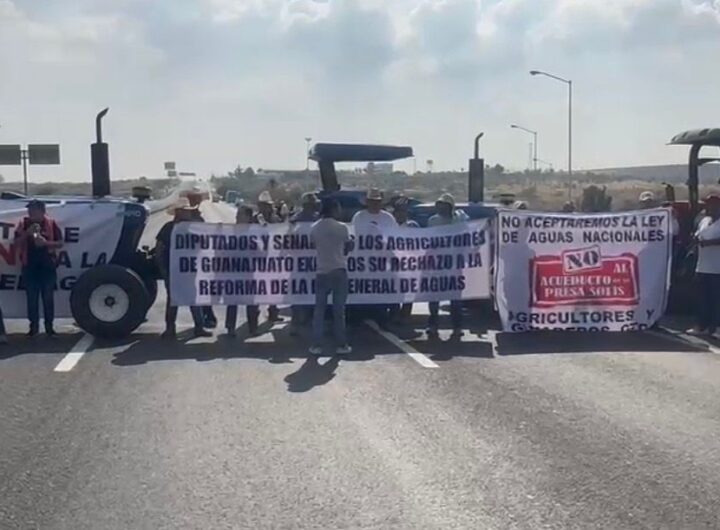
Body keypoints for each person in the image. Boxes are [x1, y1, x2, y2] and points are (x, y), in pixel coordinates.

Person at [155, 202, 211, 339]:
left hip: (189, 269)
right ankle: (170, 328)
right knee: (173, 300)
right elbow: (159, 248)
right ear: (179, 212)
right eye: (186, 211)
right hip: (172, 270)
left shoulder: (192, 228)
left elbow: (203, 245)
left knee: (193, 298)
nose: (188, 213)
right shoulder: (168, 228)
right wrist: (162, 268)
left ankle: (199, 327)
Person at [14, 200, 63, 337]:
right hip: (29, 267)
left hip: (47, 266)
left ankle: (49, 328)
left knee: (48, 297)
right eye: (29, 210)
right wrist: (26, 234)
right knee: (32, 298)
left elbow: (60, 243)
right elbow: (15, 243)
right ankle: (33, 328)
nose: (30, 213)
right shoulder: (23, 224)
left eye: (34, 210)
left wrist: (46, 243)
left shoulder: (51, 224)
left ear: (42, 211)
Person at [310, 198, 352, 356]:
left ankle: (316, 345)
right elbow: (347, 248)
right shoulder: (342, 227)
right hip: (339, 270)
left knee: (319, 311)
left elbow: (314, 245)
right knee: (339, 311)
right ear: (334, 209)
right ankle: (341, 344)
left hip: (321, 271)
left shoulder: (315, 227)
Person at [427, 193, 469, 337]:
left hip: (454, 265)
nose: (441, 208)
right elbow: (428, 241)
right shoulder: (432, 221)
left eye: (444, 205)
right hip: (437, 265)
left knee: (455, 299)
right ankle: (433, 325)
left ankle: (457, 326)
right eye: (439, 205)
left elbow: (467, 238)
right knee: (434, 298)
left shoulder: (459, 220)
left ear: (450, 207)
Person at [687, 194, 720, 336]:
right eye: (706, 204)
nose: (707, 207)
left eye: (711, 205)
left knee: (716, 300)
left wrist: (708, 243)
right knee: (703, 298)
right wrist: (695, 239)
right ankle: (702, 326)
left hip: (717, 268)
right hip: (702, 266)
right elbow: (698, 234)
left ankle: (717, 328)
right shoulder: (704, 220)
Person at [226, 205, 260, 337]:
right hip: (233, 270)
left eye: (240, 214)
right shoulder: (231, 231)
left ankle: (253, 328)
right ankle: (230, 327)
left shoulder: (255, 232)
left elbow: (260, 251)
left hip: (249, 271)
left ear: (248, 217)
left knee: (251, 301)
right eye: (237, 214)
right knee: (232, 301)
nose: (236, 217)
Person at [289, 193, 320, 336]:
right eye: (312, 204)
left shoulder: (318, 219)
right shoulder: (295, 220)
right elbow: (287, 240)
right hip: (299, 263)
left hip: (314, 263)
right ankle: (295, 322)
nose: (314, 207)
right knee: (297, 293)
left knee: (313, 293)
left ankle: (308, 321)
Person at [253, 191, 282, 323]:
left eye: (269, 205)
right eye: (265, 205)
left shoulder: (274, 218)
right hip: (259, 259)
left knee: (273, 287)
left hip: (273, 258)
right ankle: (254, 316)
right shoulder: (258, 218)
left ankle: (273, 312)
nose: (267, 208)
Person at [390, 196, 418, 323]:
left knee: (408, 291)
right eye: (398, 211)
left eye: (403, 211)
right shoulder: (390, 226)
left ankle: (405, 315)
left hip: (409, 264)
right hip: (393, 264)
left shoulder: (413, 226)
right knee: (394, 290)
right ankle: (394, 314)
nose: (400, 214)